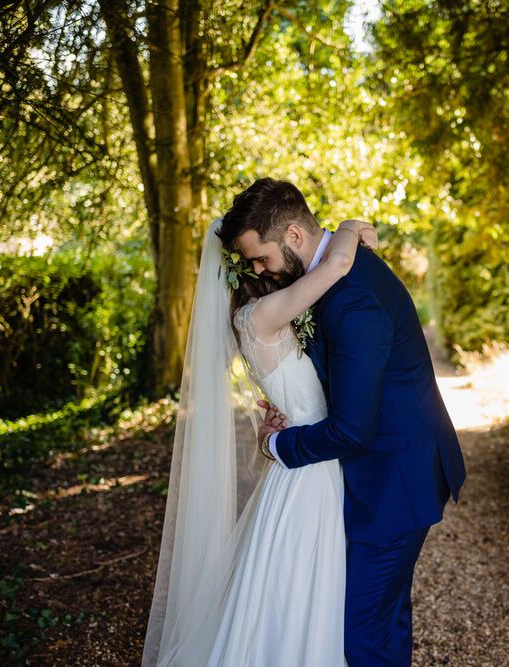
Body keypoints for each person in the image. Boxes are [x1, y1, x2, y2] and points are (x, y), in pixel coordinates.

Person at [226, 178, 467, 666]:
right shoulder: (336, 272)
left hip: (393, 480)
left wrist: (277, 445)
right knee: (385, 617)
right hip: (393, 468)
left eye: (262, 258)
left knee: (361, 633)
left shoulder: (349, 296)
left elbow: (353, 430)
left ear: (293, 236)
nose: (258, 271)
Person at [141, 202, 377, 664]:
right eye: (256, 261)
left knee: (291, 584)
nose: (262, 266)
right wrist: (349, 226)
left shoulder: (255, 318)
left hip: (304, 458)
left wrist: (273, 428)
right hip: (310, 468)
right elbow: (338, 263)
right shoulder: (265, 313)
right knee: (301, 584)